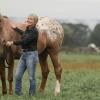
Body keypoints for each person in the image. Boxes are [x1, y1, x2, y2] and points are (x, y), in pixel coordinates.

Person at [6, 13, 39, 96]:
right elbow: (24, 34)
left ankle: (32, 94)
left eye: (31, 19)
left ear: (35, 21)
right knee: (17, 75)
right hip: (24, 55)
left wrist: (12, 42)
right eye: (28, 18)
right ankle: (18, 94)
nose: (28, 20)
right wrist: (15, 28)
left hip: (31, 55)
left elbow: (25, 41)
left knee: (31, 77)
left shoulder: (35, 31)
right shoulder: (28, 29)